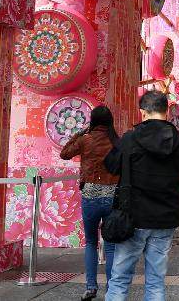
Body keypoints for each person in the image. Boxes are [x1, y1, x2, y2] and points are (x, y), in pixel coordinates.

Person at [104, 90, 179, 301]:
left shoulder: (130, 139)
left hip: (132, 217)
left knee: (119, 279)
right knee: (156, 281)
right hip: (165, 218)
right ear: (166, 111)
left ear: (143, 112)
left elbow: (111, 165)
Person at [60, 105, 120, 301]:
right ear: (110, 121)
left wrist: (79, 133)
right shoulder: (116, 142)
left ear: (92, 121)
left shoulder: (85, 140)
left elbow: (65, 153)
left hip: (90, 197)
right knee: (110, 245)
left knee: (91, 242)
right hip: (112, 196)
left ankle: (91, 287)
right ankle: (112, 288)